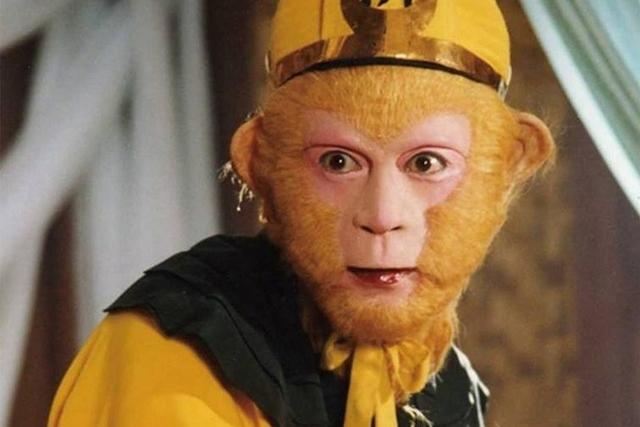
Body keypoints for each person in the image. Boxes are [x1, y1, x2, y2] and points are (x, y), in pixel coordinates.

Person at [49, 1, 554, 426]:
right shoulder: (177, 348)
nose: (382, 215)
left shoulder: (449, 386)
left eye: (426, 163)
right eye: (338, 162)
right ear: (261, 165)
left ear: (508, 168)